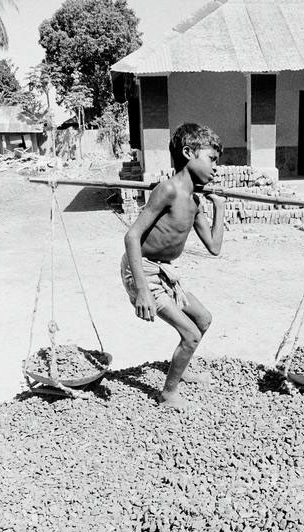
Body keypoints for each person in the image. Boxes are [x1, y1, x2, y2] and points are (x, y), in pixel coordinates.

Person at [121, 123, 225, 409]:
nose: (216, 167)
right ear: (189, 153)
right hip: (141, 270)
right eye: (212, 159)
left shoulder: (194, 201)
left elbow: (214, 247)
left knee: (202, 320)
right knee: (190, 334)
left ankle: (182, 367)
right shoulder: (168, 189)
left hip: (163, 272)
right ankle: (168, 393)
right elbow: (131, 236)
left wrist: (219, 207)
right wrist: (142, 292)